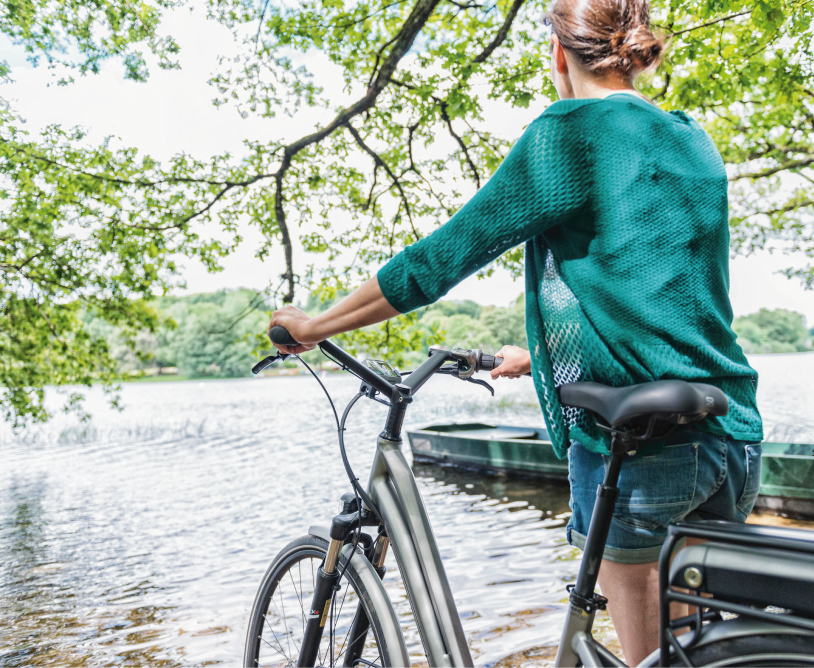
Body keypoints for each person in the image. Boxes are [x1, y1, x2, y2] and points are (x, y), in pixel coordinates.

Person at [267, 0, 763, 662]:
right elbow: (663, 295)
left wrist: (315, 322)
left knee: (645, 652)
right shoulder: (688, 137)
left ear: (559, 55)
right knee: (689, 650)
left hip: (647, 455)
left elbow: (442, 258)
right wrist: (537, 356)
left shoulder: (569, 134)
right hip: (731, 438)